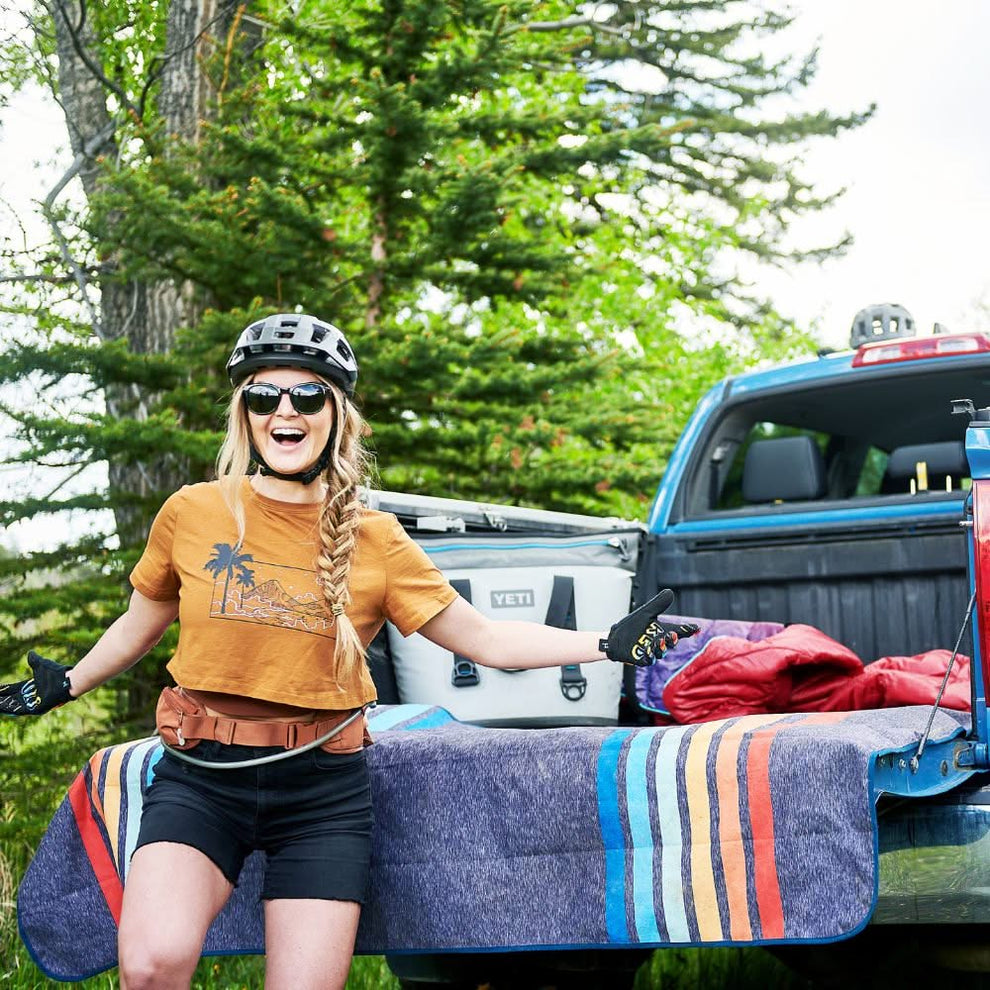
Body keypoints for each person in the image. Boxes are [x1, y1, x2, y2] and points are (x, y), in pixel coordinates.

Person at [0, 313, 696, 990]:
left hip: (321, 791)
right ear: (245, 414)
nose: (285, 411)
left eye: (307, 396)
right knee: (151, 967)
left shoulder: (377, 539)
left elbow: (482, 638)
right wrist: (66, 684)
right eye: (264, 397)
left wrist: (603, 643)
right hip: (200, 777)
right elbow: (140, 622)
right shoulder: (192, 511)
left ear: (336, 415)